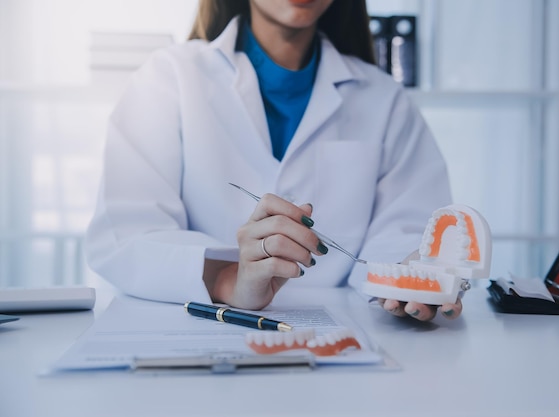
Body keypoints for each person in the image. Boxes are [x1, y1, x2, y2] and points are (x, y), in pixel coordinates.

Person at [85, 0, 462, 322]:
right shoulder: (170, 76)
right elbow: (126, 235)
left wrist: (412, 276)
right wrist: (227, 279)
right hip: (206, 335)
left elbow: (408, 230)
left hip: (348, 344)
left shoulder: (383, 98)